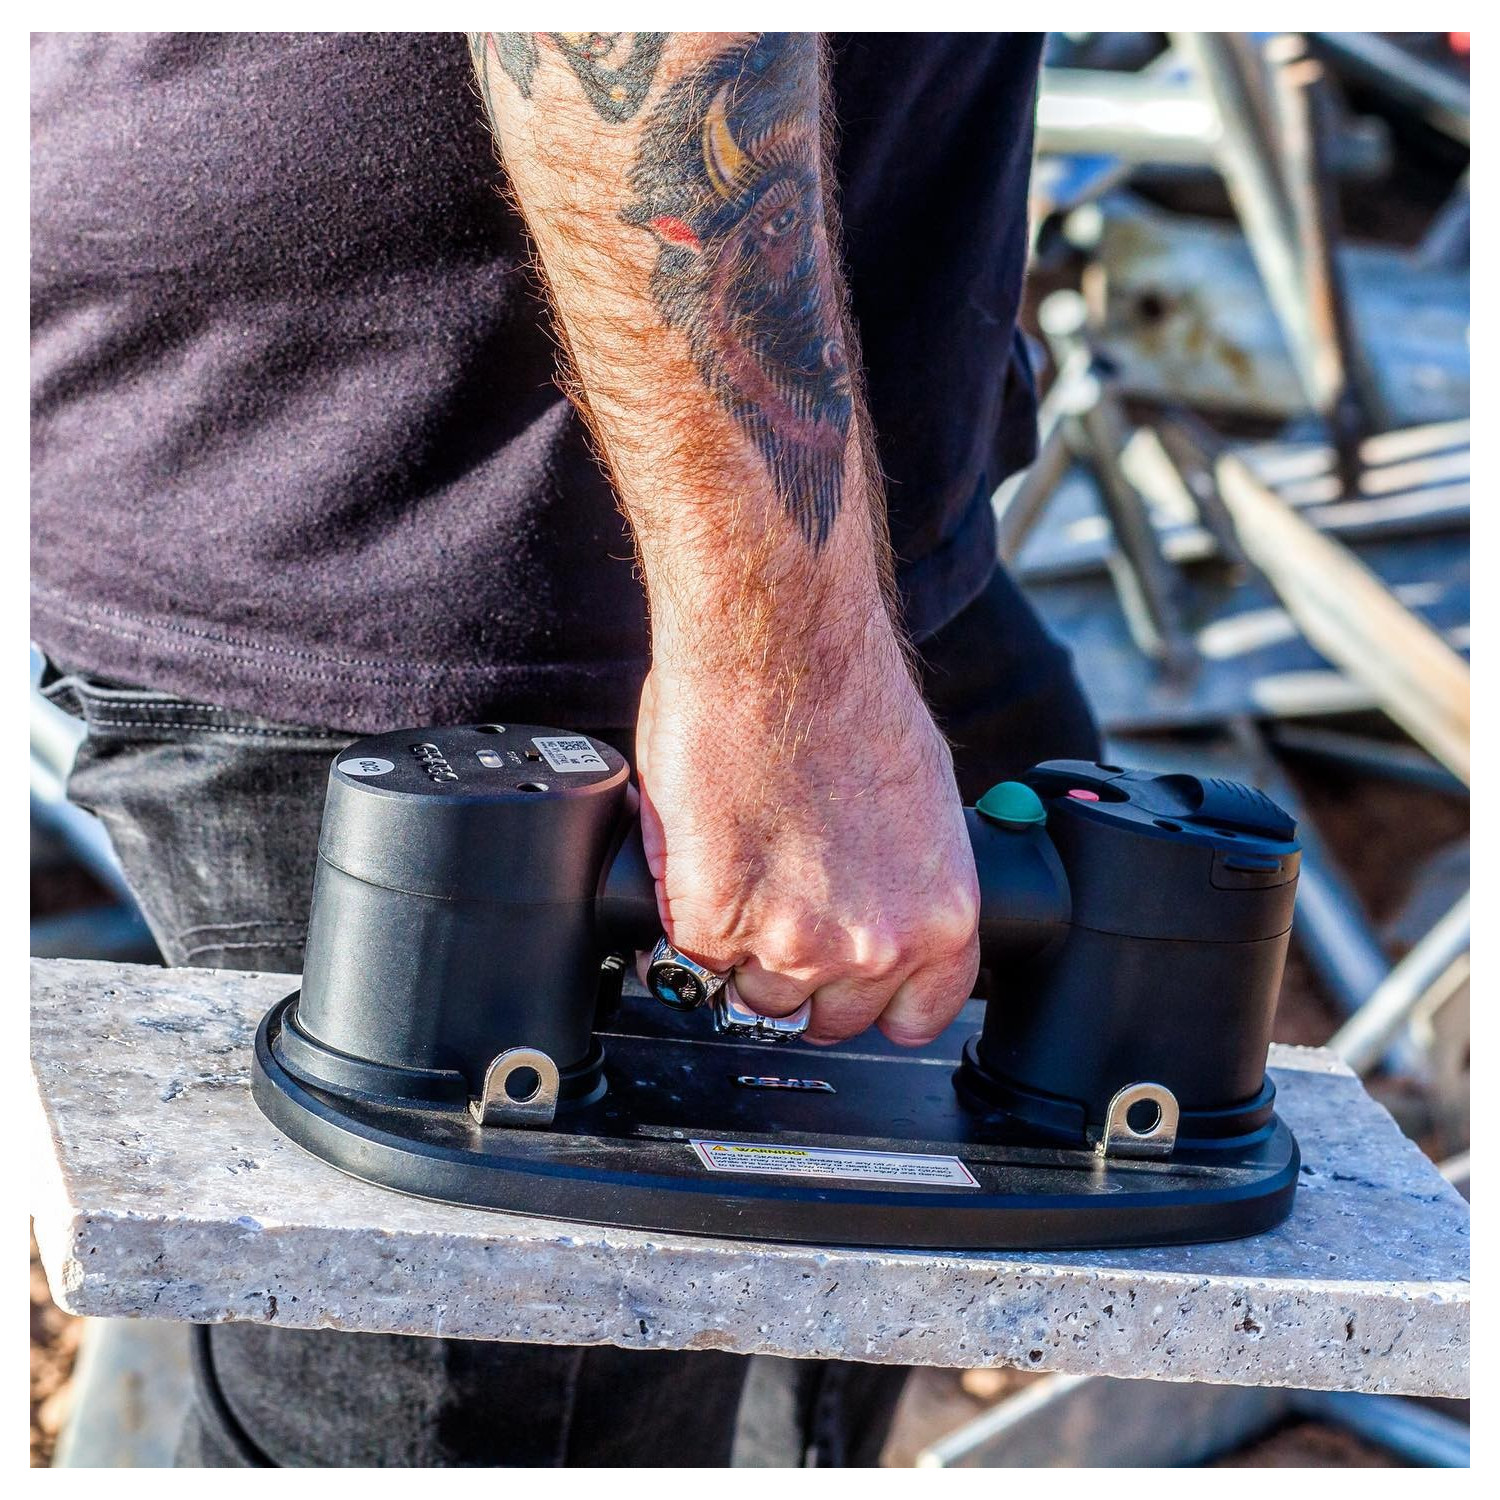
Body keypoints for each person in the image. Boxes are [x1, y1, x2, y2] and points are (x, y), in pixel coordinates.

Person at [31, 32, 1098, 1467]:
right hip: (469, 558)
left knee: (955, 1143)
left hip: (847, 516)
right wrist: (788, 689)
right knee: (504, 1411)